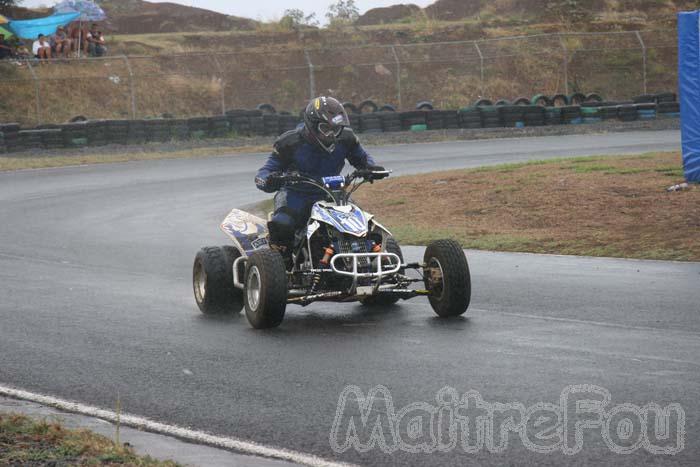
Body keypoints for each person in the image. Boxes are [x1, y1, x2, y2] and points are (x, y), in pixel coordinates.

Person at [255, 96, 385, 258]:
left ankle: (374, 259)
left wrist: (370, 169)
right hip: (296, 195)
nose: (332, 134)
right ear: (312, 125)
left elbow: (363, 160)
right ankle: (283, 266)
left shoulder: (346, 139)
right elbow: (264, 173)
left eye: (336, 129)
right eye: (326, 128)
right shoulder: (290, 142)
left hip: (332, 195)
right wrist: (271, 179)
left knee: (364, 224)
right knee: (282, 224)